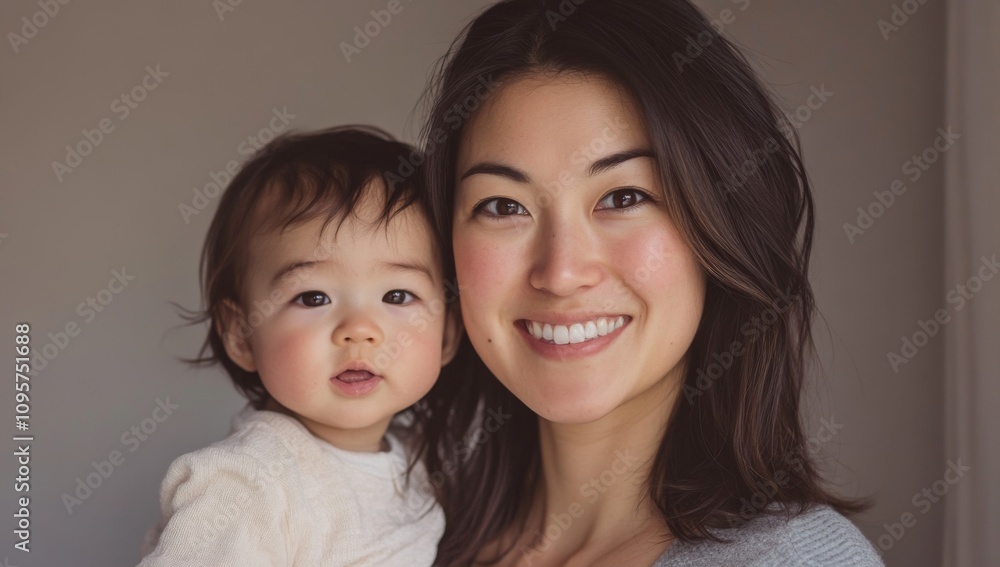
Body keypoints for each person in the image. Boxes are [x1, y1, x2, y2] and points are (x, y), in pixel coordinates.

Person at [414, 0, 884, 565]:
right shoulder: (385, 539)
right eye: (502, 206)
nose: (561, 273)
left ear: (721, 223)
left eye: (624, 197)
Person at [138, 126, 462, 566]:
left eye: (397, 296)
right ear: (241, 334)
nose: (360, 330)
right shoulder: (246, 485)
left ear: (447, 334)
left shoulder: (421, 462)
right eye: (313, 298)